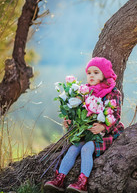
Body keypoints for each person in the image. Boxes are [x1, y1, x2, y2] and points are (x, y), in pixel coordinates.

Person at [44, 57, 124, 193]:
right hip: (86, 132)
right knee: (74, 148)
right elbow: (79, 115)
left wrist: (103, 126)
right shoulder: (84, 91)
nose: (91, 75)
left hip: (105, 133)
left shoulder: (113, 92)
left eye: (96, 72)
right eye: (89, 73)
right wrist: (70, 121)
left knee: (86, 149)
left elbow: (115, 116)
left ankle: (82, 182)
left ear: (104, 74)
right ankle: (59, 179)